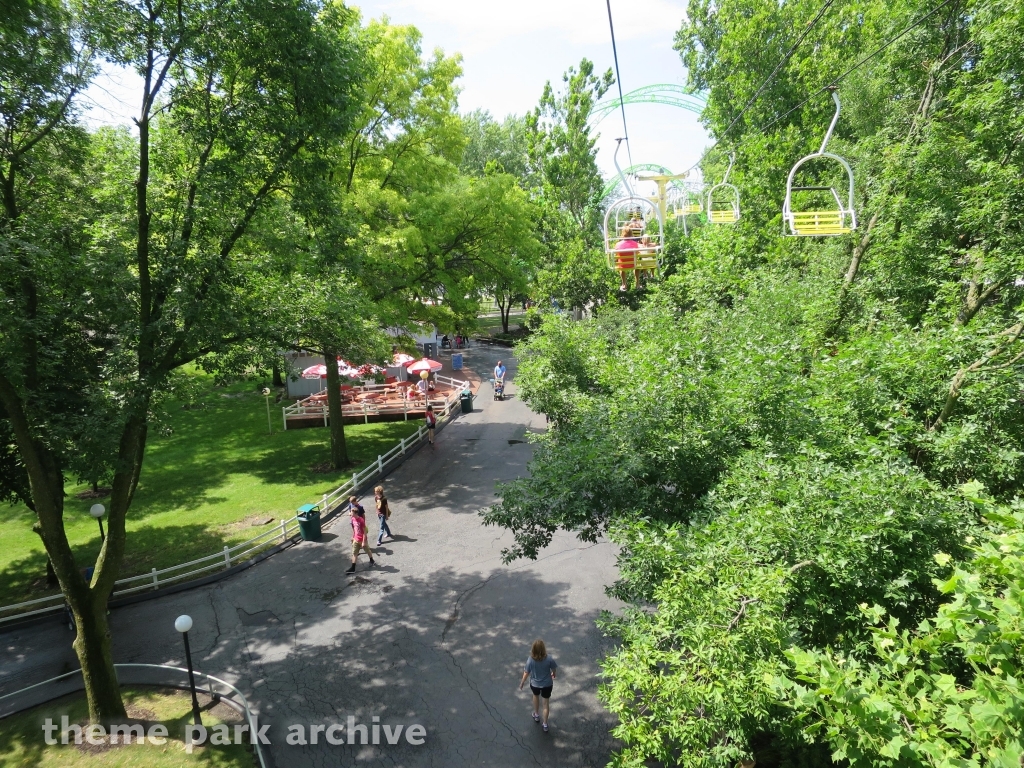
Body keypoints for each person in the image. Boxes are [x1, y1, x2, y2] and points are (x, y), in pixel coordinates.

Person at [519, 639, 557, 732]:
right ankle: (545, 724)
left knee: (535, 696)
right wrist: (553, 674)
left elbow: (526, 672)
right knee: (545, 703)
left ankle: (536, 715)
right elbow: (554, 668)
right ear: (544, 649)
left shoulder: (530, 660)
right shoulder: (549, 658)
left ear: (533, 649)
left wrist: (522, 682)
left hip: (535, 684)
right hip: (547, 684)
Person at [346, 496, 375, 574]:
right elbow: (354, 529)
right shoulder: (352, 519)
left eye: (351, 513)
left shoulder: (361, 520)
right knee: (354, 553)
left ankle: (372, 559)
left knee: (367, 550)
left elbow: (365, 532)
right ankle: (353, 568)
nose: (350, 514)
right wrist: (353, 536)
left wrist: (364, 541)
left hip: (362, 539)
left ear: (355, 513)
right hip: (356, 539)